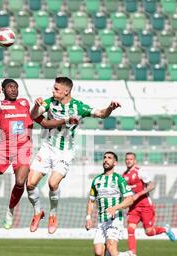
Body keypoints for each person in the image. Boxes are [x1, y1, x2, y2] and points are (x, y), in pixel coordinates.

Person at [0, 79, 78, 241]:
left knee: (21, 182)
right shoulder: (1, 105)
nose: (13, 90)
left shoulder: (25, 104)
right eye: (10, 87)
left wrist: (64, 121)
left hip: (23, 149)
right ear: (4, 90)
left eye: (15, 87)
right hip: (4, 149)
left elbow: (45, 123)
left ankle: (10, 210)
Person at [27, 77, 122, 234]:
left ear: (66, 91)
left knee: (52, 183)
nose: (53, 91)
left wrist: (110, 108)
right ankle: (37, 212)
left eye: (56, 89)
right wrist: (36, 106)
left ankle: (53, 214)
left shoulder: (78, 107)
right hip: (47, 147)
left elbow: (101, 114)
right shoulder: (49, 102)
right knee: (30, 184)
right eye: (53, 88)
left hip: (65, 152)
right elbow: (33, 116)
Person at [86, 151, 136, 256]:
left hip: (115, 219)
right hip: (102, 221)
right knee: (98, 253)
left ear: (115, 163)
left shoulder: (119, 179)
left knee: (111, 245)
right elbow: (91, 201)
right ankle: (125, 255)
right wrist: (88, 217)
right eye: (104, 158)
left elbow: (130, 199)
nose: (105, 160)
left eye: (109, 158)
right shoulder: (96, 180)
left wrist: (116, 207)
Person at [122, 152, 176, 256]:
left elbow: (152, 185)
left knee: (149, 232)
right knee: (130, 229)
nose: (128, 161)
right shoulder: (123, 175)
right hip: (133, 208)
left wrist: (138, 194)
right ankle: (133, 255)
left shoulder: (140, 171)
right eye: (127, 159)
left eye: (131, 159)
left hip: (145, 206)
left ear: (134, 161)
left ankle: (165, 229)